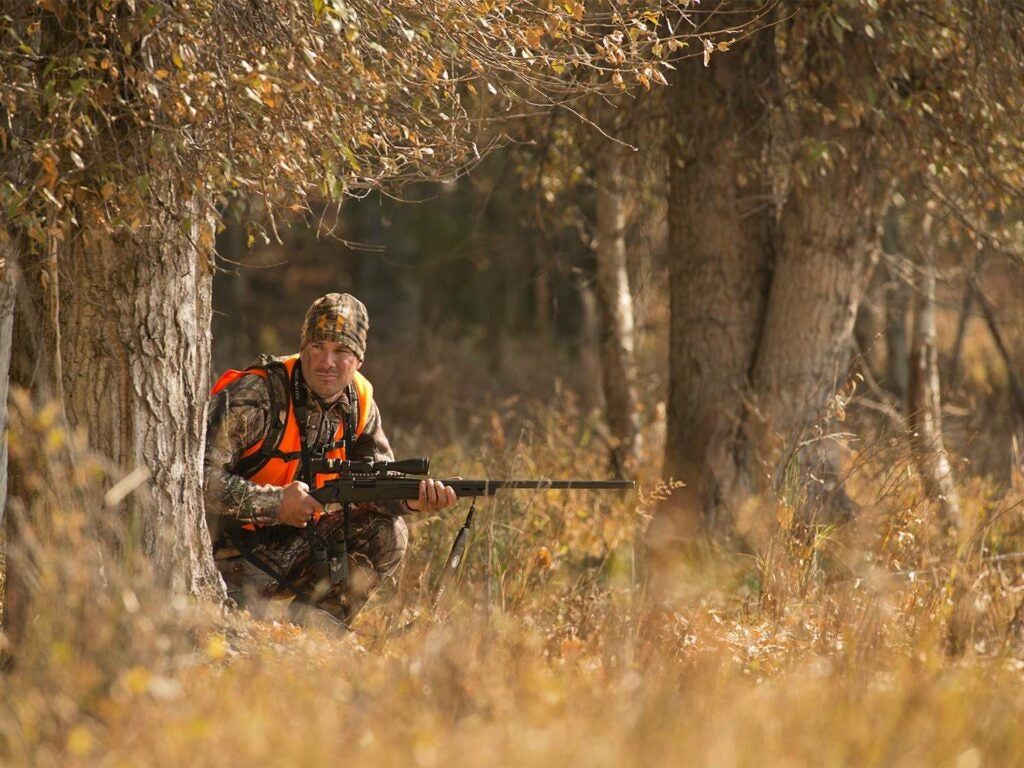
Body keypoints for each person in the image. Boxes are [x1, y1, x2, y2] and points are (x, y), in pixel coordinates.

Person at [204, 292, 457, 626]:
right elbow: (195, 478)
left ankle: (313, 636)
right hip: (224, 560)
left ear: (358, 360)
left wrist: (413, 502)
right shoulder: (256, 395)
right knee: (235, 632)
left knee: (389, 532)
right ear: (303, 347)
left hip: (298, 549)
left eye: (341, 351)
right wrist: (275, 503)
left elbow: (377, 489)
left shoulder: (360, 403)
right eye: (317, 347)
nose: (327, 362)